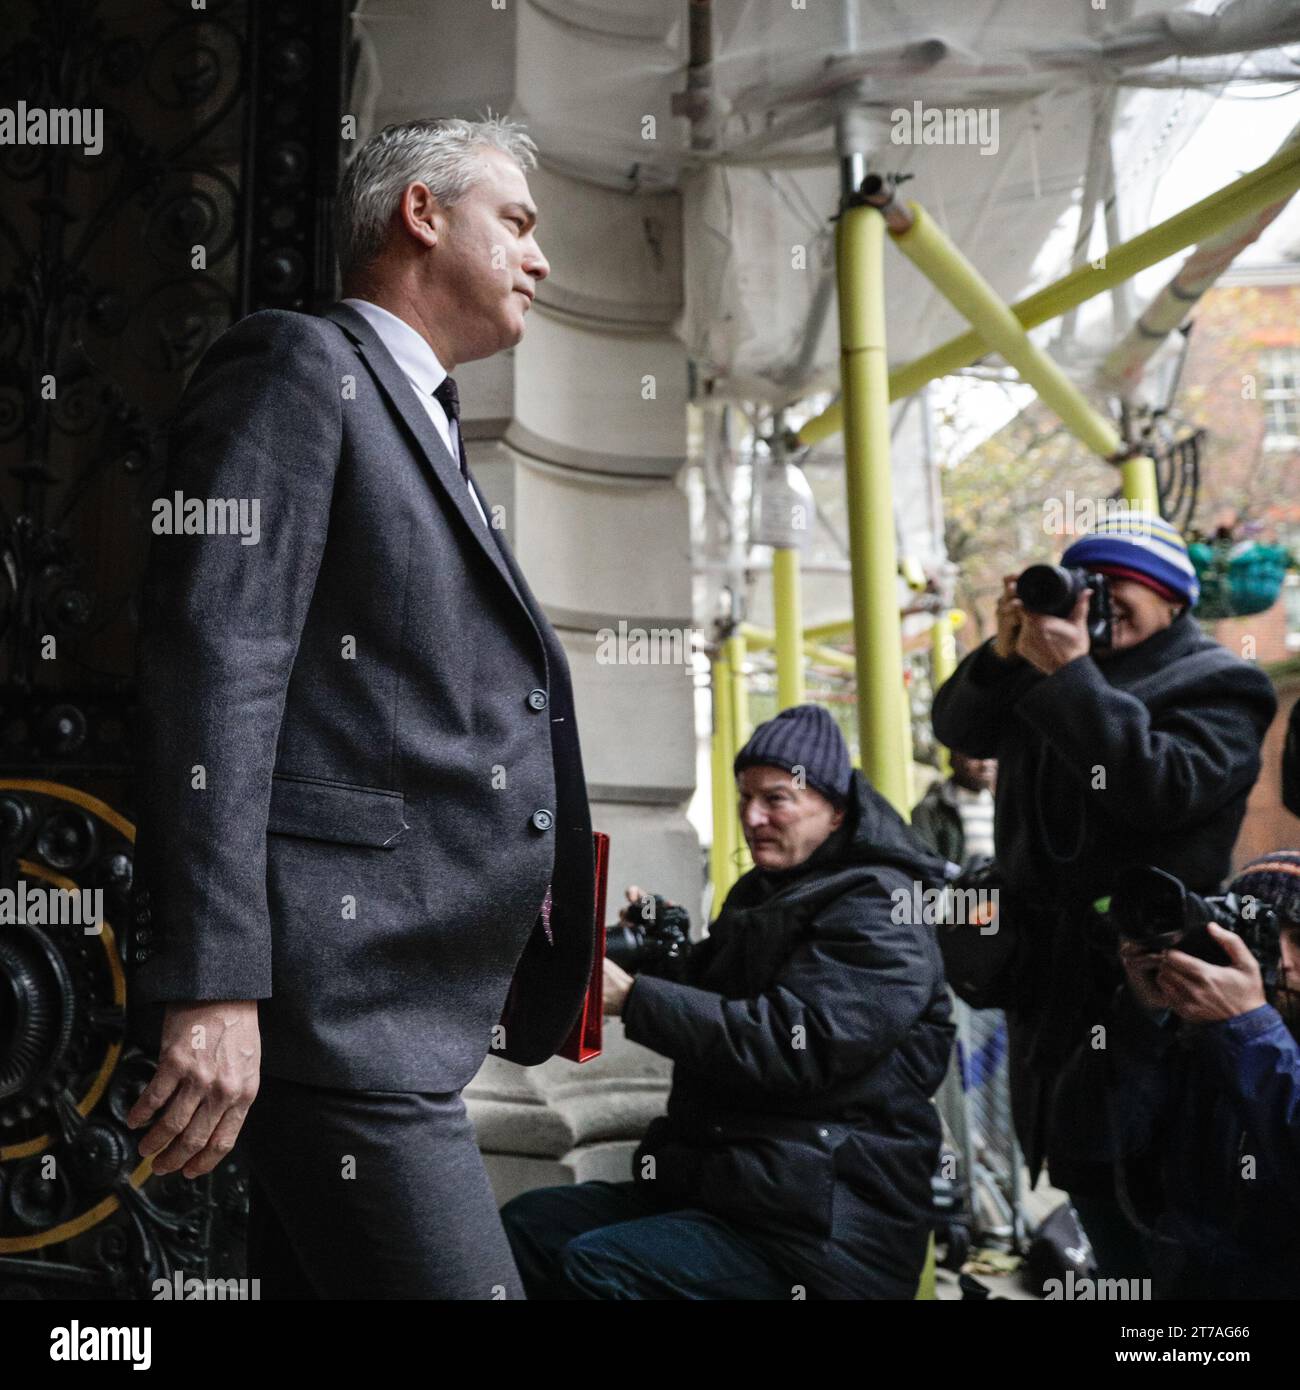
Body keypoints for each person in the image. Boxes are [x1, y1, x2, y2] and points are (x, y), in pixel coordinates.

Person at [125, 116, 597, 1299]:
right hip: (332, 1010)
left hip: (404, 1008)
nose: (540, 260)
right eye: (519, 223)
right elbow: (216, 662)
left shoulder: (425, 418)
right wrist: (216, 981)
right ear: (421, 213)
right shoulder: (296, 364)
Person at [500, 703, 954, 1299]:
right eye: (745, 798)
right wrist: (665, 949)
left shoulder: (881, 907)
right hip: (736, 1193)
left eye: (777, 799)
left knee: (602, 1267)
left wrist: (635, 999)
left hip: (822, 1228)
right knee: (529, 1229)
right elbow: (724, 997)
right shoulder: (767, 890)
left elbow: (796, 1042)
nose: (753, 817)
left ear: (836, 808)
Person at [930, 513, 1277, 1281]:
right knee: (1089, 1187)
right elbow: (958, 725)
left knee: (1165, 1219)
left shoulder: (1221, 681)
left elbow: (1163, 790)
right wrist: (1002, 650)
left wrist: (1071, 677)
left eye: (1120, 584)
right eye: (1088, 583)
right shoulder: (1048, 664)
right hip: (1050, 1008)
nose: (1100, 598)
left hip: (1152, 1005)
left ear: (1172, 598)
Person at [1113, 851, 1300, 1298]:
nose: (1286, 962)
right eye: (1268, 939)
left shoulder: (1244, 1032)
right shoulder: (1203, 1035)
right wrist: (1146, 1017)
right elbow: (1095, 1145)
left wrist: (1251, 1029)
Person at [910, 750, 997, 868]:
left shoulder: (1003, 805)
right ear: (954, 760)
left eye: (991, 757)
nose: (985, 764)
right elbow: (924, 864)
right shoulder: (931, 810)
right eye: (976, 758)